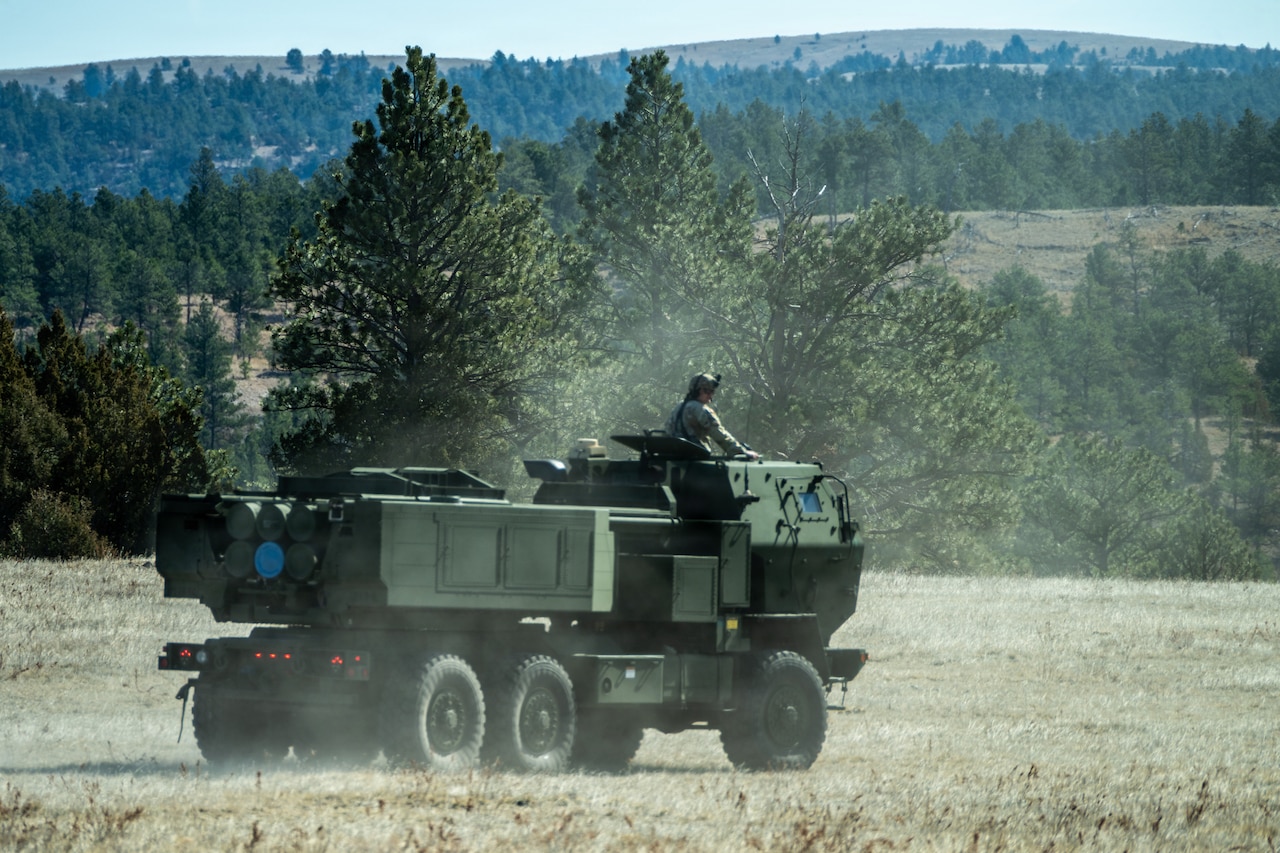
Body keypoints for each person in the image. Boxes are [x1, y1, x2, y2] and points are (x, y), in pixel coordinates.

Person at [665, 373, 759, 460]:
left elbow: (668, 431)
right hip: (696, 460)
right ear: (698, 390)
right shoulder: (701, 409)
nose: (710, 395)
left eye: (712, 392)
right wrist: (741, 452)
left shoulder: (679, 407)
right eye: (707, 391)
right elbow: (718, 434)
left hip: (675, 458)